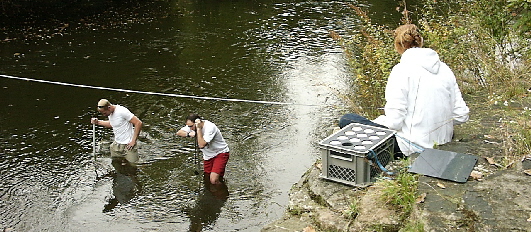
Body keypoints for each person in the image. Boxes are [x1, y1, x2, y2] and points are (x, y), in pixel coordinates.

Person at [340, 24, 469, 156]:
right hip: (443, 140)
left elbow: (394, 122)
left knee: (347, 120)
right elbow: (462, 114)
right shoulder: (444, 68)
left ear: (397, 46)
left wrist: (378, 121)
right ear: (421, 41)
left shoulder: (401, 70)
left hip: (411, 147)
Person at [177, 113, 229, 185]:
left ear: (198, 122)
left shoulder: (210, 127)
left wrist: (198, 129)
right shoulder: (191, 126)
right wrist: (188, 134)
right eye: (188, 126)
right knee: (207, 179)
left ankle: (222, 194)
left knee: (213, 180)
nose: (190, 128)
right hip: (208, 156)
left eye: (191, 126)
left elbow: (201, 145)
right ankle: (216, 189)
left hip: (220, 153)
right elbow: (179, 132)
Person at [91, 99, 143, 164]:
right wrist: (98, 122)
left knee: (133, 166)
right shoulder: (110, 113)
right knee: (116, 164)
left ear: (109, 108)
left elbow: (138, 123)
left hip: (128, 145)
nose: (104, 115)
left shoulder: (122, 111)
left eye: (104, 113)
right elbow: (113, 124)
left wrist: (133, 141)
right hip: (116, 145)